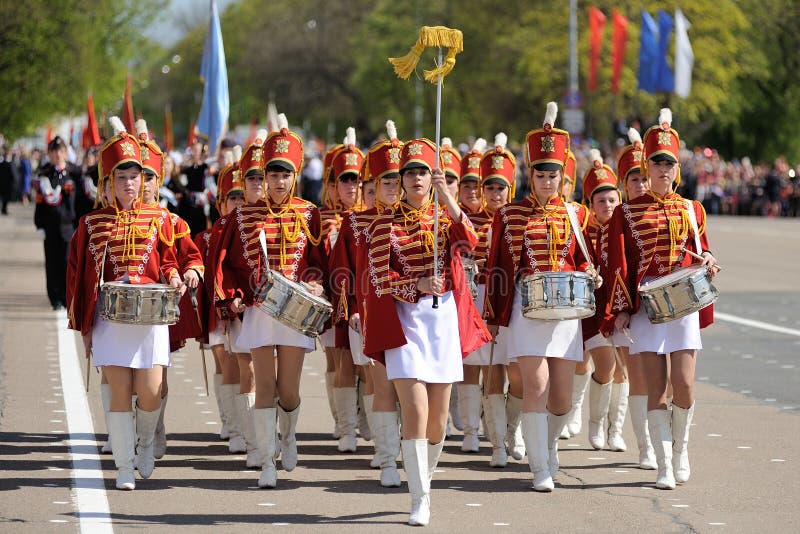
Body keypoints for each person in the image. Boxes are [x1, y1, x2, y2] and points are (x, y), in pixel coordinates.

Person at [361, 137, 489, 525]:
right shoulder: (385, 224)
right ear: (400, 179)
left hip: (443, 321)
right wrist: (414, 284)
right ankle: (419, 498)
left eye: (423, 172)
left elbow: (471, 241)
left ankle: (425, 480)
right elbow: (380, 280)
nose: (416, 178)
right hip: (405, 323)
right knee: (414, 412)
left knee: (437, 420)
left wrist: (447, 197)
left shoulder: (445, 218)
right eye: (410, 173)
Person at [485, 102, 600, 492]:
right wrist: (494, 316)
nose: (547, 180)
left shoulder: (577, 215)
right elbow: (498, 267)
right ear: (529, 174)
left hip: (567, 309)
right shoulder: (509, 215)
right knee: (535, 387)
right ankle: (539, 468)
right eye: (540, 173)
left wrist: (588, 273)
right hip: (527, 306)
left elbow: (587, 259)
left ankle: (549, 449)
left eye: (553, 174)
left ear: (562, 176)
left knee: (562, 398)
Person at [604, 108, 719, 490]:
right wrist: (620, 308)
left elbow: (699, 250)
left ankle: (681, 449)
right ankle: (663, 465)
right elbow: (619, 264)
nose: (663, 169)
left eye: (669, 162)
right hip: (646, 306)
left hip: (683, 302)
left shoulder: (692, 209)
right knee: (655, 387)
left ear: (677, 167)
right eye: (657, 162)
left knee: (684, 385)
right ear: (646, 165)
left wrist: (708, 260)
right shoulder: (625, 211)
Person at [67, 117, 183, 490]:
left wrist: (180, 275)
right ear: (108, 182)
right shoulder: (91, 223)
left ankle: (145, 441)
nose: (130, 183)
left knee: (149, 393)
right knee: (119, 392)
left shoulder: (162, 218)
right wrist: (84, 328)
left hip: (150, 318)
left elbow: (174, 258)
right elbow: (78, 277)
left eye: (136, 176)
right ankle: (122, 466)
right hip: (110, 319)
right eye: (121, 177)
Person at [215, 114, 326, 488]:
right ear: (263, 176)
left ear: (295, 175)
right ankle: (266, 462)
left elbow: (317, 264)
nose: (278, 182)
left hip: (295, 312)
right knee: (264, 386)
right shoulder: (243, 215)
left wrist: (313, 284)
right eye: (272, 175)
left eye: (285, 174)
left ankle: (289, 435)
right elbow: (227, 265)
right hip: (260, 312)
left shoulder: (309, 213)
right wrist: (233, 297)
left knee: (288, 390)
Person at [329, 119, 403, 487]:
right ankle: (386, 451)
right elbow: (344, 270)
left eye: (396, 181)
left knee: (411, 383)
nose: (391, 189)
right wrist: (353, 307)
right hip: (372, 313)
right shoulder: (355, 223)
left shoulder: (423, 219)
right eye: (384, 183)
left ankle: (408, 444)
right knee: (379, 382)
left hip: (414, 313)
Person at [135, 120, 203, 459]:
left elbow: (191, 255)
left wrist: (190, 271)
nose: (144, 184)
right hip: (120, 309)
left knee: (156, 377)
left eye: (150, 177)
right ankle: (125, 433)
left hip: (160, 310)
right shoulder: (108, 219)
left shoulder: (171, 221)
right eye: (138, 176)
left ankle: (153, 426)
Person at [460, 133, 521, 467]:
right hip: (476, 296)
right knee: (473, 368)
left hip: (506, 299)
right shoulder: (471, 220)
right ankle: (471, 431)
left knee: (502, 370)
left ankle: (504, 437)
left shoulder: (518, 219)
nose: (495, 195)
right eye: (490, 188)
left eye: (501, 188)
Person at [578, 148, 630, 454]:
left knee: (623, 370)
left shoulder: (626, 227)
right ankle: (595, 424)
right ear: (591, 204)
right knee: (604, 367)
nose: (608, 205)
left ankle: (616, 430)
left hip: (622, 306)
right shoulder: (584, 230)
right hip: (594, 308)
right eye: (601, 200)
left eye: (613, 200)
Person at [324, 128, 367, 452]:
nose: (351, 187)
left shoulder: (369, 216)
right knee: (338, 362)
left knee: (366, 366)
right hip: (329, 297)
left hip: (359, 296)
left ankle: (365, 418)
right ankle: (344, 423)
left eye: (356, 180)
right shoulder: (320, 216)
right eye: (345, 180)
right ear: (333, 183)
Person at [34, 136, 82, 310]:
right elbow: (39, 202)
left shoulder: (74, 174)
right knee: (52, 262)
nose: (57, 155)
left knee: (66, 263)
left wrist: (80, 225)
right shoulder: (45, 174)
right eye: (53, 152)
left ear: (65, 152)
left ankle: (65, 296)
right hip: (50, 226)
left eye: (60, 151)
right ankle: (54, 297)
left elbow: (79, 202)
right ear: (49, 154)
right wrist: (38, 224)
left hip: (68, 227)